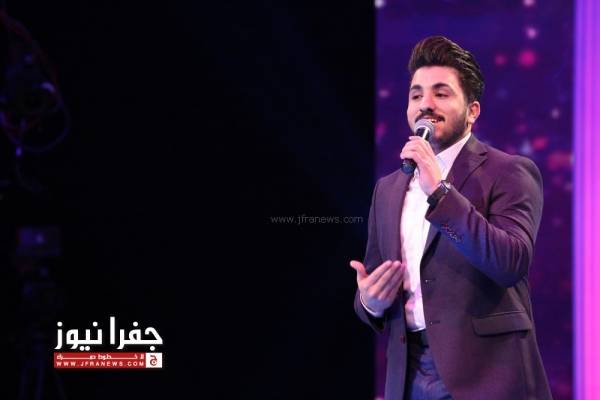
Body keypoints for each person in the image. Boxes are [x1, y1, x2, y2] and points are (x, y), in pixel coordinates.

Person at [350, 36, 552, 400]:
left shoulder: (509, 172)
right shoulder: (388, 189)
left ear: (472, 111)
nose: (425, 104)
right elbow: (375, 278)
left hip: (486, 375)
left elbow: (510, 262)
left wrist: (440, 191)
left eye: (441, 93)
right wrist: (370, 303)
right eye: (416, 95)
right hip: (408, 374)